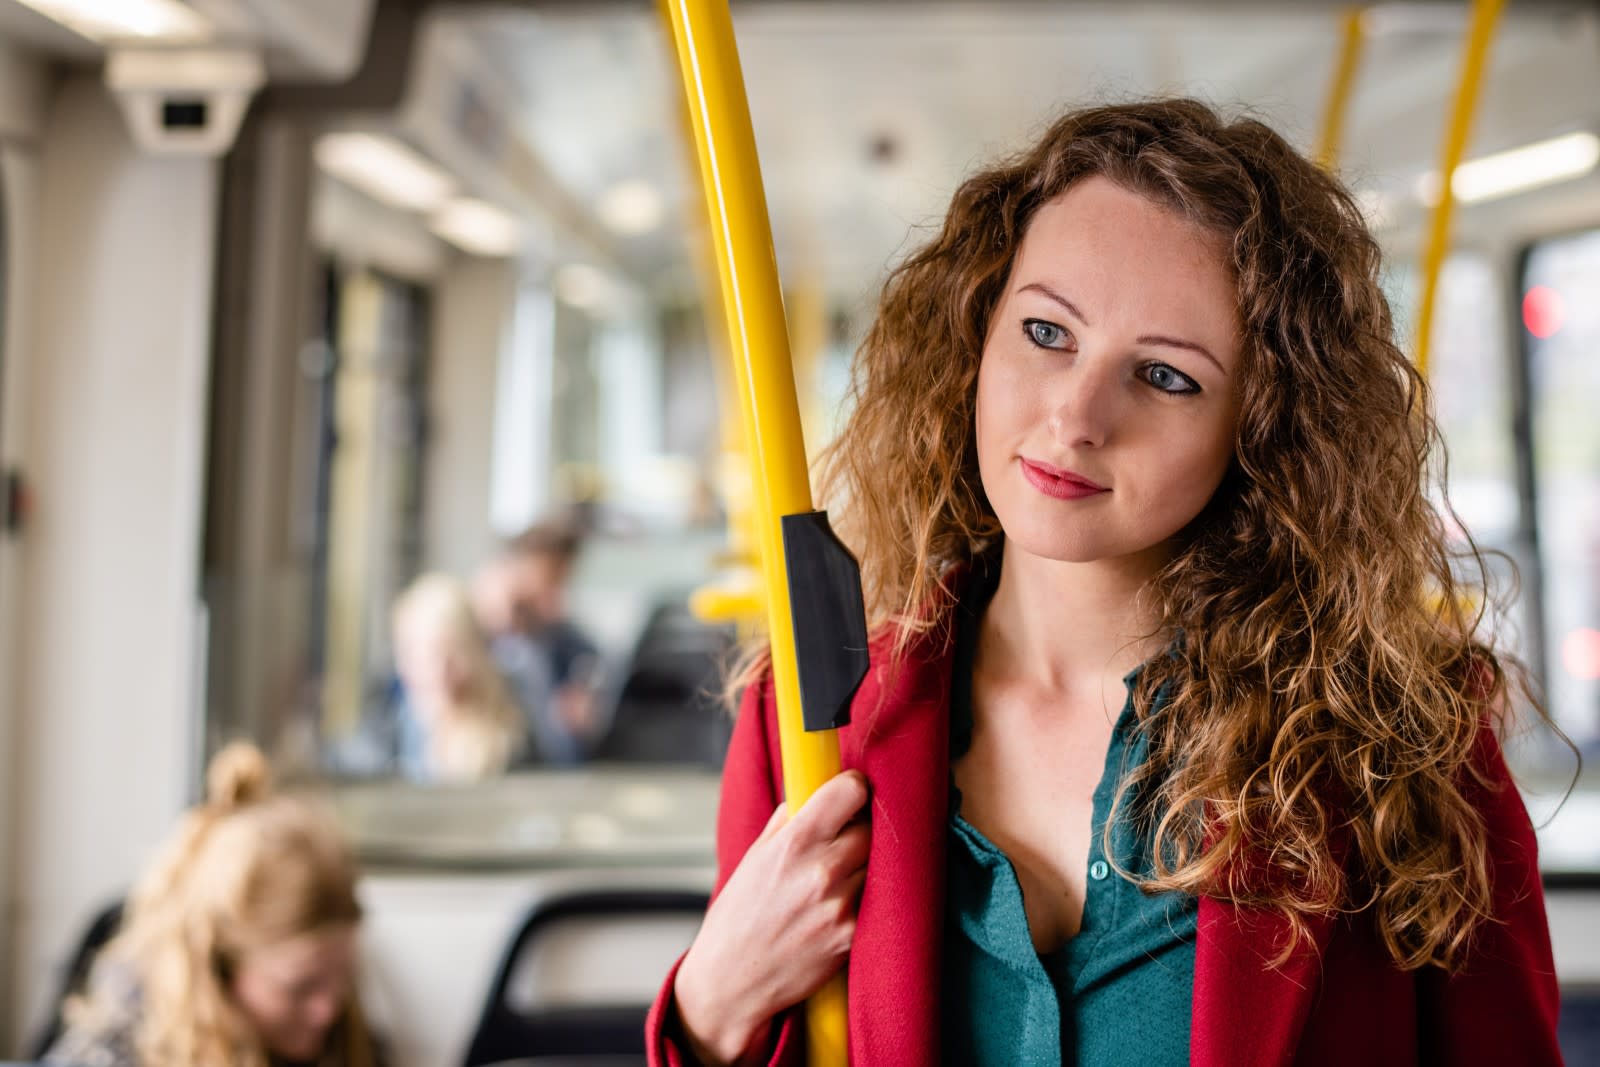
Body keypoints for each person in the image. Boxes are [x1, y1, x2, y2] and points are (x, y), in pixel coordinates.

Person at [645, 99, 1564, 1065]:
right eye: (1047, 332)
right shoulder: (807, 724)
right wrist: (714, 1000)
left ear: (1262, 430)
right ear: (976, 334)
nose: (1077, 416)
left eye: (1165, 377)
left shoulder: (1409, 747)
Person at [46, 743, 382, 1067]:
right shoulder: (114, 1050)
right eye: (300, 987)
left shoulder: (343, 1042)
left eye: (342, 976)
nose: (327, 1010)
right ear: (220, 968)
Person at [472, 521, 604, 764]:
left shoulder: (563, 640)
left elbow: (592, 664)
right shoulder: (480, 636)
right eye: (551, 579)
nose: (557, 593)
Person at [386, 572, 527, 782]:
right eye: (420, 655)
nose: (437, 673)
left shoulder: (512, 743)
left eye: (451, 655)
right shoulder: (385, 738)